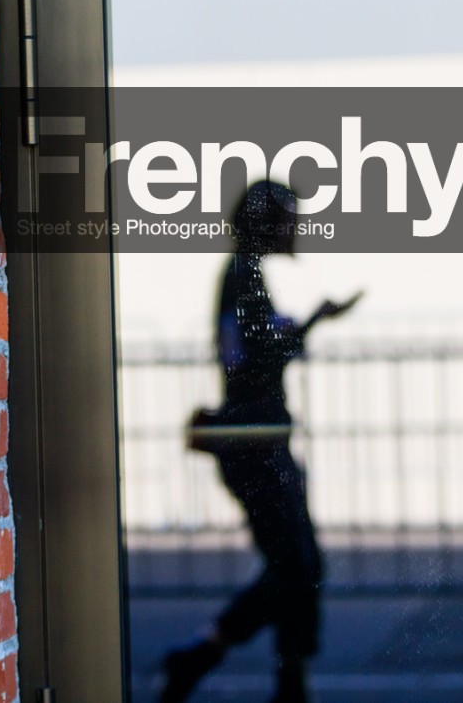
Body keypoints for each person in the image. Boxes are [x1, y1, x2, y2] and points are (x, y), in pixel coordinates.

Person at [160, 181, 360, 703]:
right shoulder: (242, 276)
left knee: (299, 565)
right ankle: (215, 657)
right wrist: (311, 322)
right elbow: (253, 360)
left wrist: (302, 326)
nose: (296, 230)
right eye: (288, 219)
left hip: (261, 444)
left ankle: (275, 675)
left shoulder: (243, 274)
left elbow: (252, 351)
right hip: (255, 447)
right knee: (297, 566)